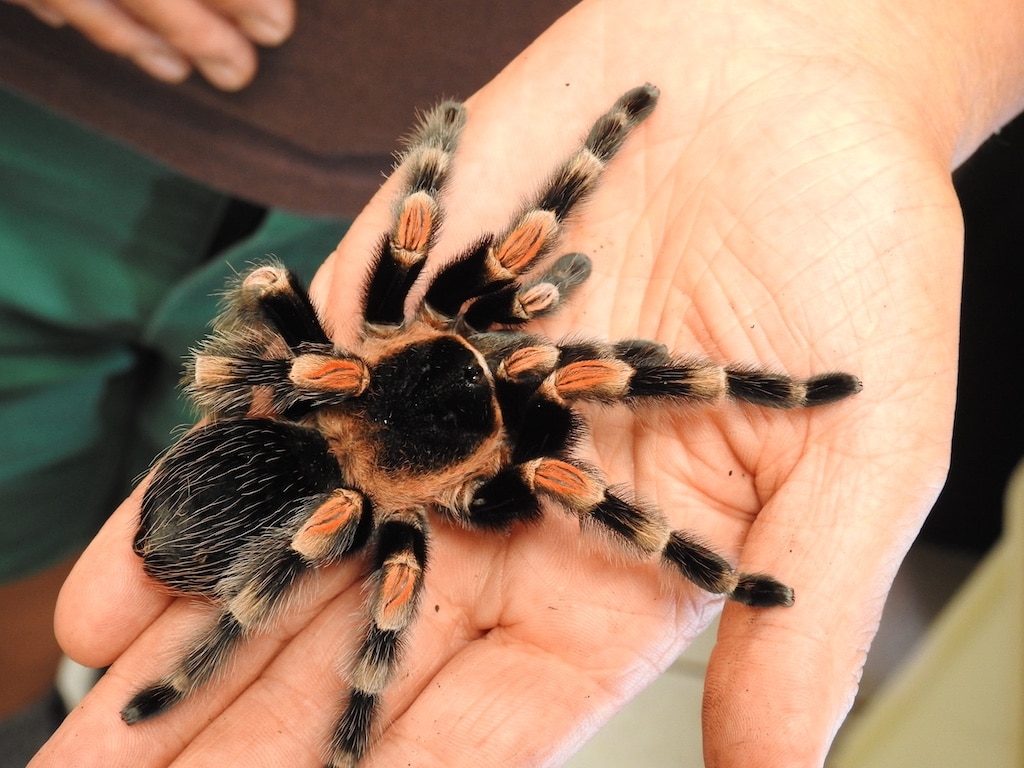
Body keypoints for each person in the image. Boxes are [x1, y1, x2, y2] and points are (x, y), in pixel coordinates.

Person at [9, 0, 1024, 766]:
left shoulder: (370, 347)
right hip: (70, 128)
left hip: (293, 411)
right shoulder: (476, 435)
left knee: (100, 511)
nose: (514, 354)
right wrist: (703, 560)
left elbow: (392, 226)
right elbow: (563, 409)